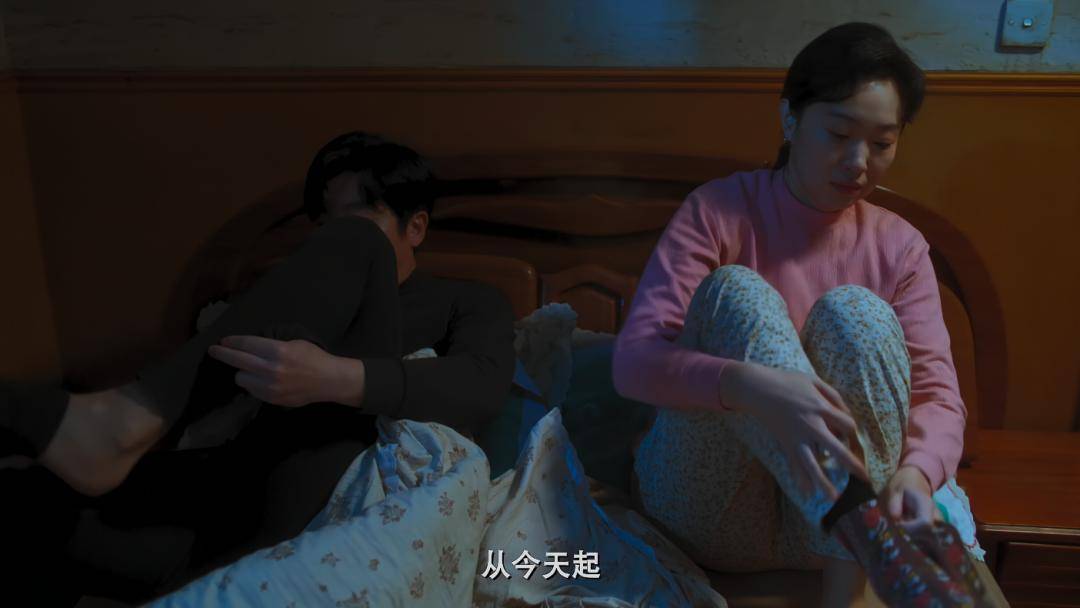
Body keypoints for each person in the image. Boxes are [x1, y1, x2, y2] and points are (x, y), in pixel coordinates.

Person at [0, 132, 515, 604]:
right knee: (25, 496)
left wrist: (333, 378)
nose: (333, 233)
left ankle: (130, 415)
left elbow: (483, 385)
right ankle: (113, 432)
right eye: (325, 223)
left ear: (415, 226)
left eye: (357, 215)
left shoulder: (465, 301)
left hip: (317, 491)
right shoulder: (292, 294)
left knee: (359, 249)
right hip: (223, 507)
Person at [611, 23, 969, 605]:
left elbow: (938, 396)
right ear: (790, 119)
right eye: (839, 134)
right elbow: (633, 363)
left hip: (831, 539)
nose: (858, 163)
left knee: (857, 313)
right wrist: (748, 385)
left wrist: (918, 474)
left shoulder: (900, 247)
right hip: (709, 511)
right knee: (737, 292)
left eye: (881, 144)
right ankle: (858, 526)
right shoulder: (717, 211)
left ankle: (847, 586)